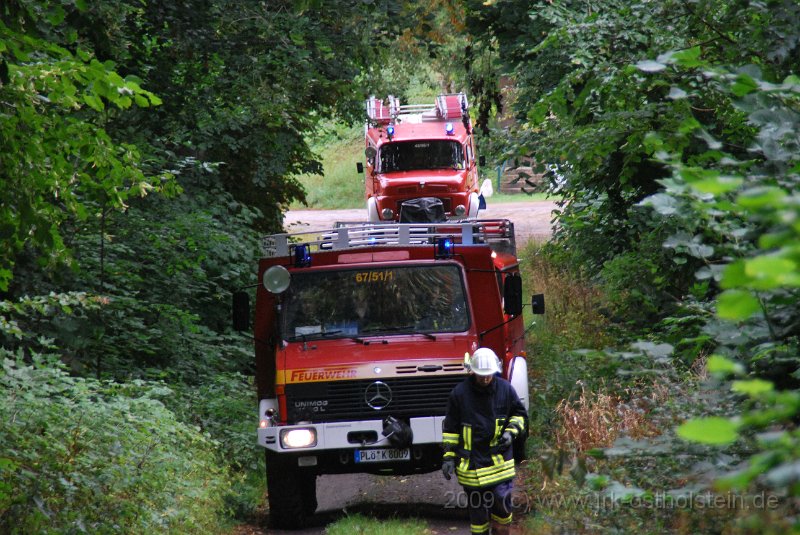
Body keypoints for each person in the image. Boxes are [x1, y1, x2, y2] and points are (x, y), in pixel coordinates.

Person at [441, 347, 527, 535]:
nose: (485, 379)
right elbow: (450, 429)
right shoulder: (459, 394)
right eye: (481, 375)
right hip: (471, 467)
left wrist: (510, 433)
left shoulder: (505, 389)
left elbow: (520, 415)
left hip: (499, 463)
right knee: (478, 517)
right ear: (472, 371)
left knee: (502, 509)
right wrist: (448, 457)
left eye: (488, 375)